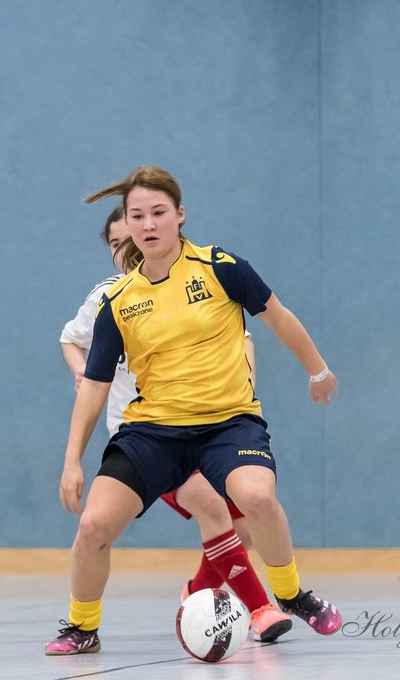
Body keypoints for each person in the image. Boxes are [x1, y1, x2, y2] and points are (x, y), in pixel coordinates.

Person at [45, 166, 342, 656]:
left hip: (227, 423)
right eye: (137, 216)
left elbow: (278, 316)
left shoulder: (221, 268)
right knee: (93, 525)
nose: (148, 224)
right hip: (153, 432)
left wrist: (316, 369)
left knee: (258, 501)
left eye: (158, 212)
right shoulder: (117, 302)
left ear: (179, 216)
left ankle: (290, 594)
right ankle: (82, 627)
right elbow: (95, 386)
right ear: (129, 225)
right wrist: (72, 460)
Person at [59, 207, 292, 644]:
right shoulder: (109, 298)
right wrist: (83, 374)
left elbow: (243, 340)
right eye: (114, 243)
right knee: (212, 508)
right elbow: (70, 339)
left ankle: (200, 592)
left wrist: (243, 397)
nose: (124, 248)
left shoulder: (194, 283)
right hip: (147, 435)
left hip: (210, 426)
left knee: (242, 522)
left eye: (128, 236)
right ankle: (260, 608)